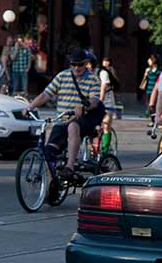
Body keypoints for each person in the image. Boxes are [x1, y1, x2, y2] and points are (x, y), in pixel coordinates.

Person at [24, 48, 104, 179]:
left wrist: (84, 106)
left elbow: (94, 101)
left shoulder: (93, 79)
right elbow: (46, 94)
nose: (77, 68)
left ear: (86, 63)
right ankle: (51, 185)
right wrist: (30, 107)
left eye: (80, 64)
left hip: (83, 118)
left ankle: (70, 167)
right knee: (49, 151)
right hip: (62, 119)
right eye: (74, 64)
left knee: (73, 126)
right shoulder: (62, 76)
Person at [97, 56, 119, 154]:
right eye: (103, 61)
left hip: (107, 100)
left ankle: (105, 150)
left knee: (106, 125)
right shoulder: (92, 72)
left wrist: (100, 100)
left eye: (106, 61)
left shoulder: (106, 72)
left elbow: (105, 86)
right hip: (95, 100)